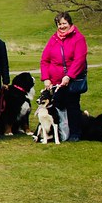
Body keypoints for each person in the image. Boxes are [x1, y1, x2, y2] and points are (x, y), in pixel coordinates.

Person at [40, 11, 88, 142]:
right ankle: (59, 132)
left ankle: (75, 133)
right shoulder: (53, 39)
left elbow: (80, 59)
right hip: (55, 82)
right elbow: (45, 60)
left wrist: (69, 76)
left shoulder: (78, 38)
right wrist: (46, 78)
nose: (61, 26)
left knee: (72, 105)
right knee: (57, 105)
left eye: (64, 23)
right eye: (59, 24)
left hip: (71, 81)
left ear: (70, 23)